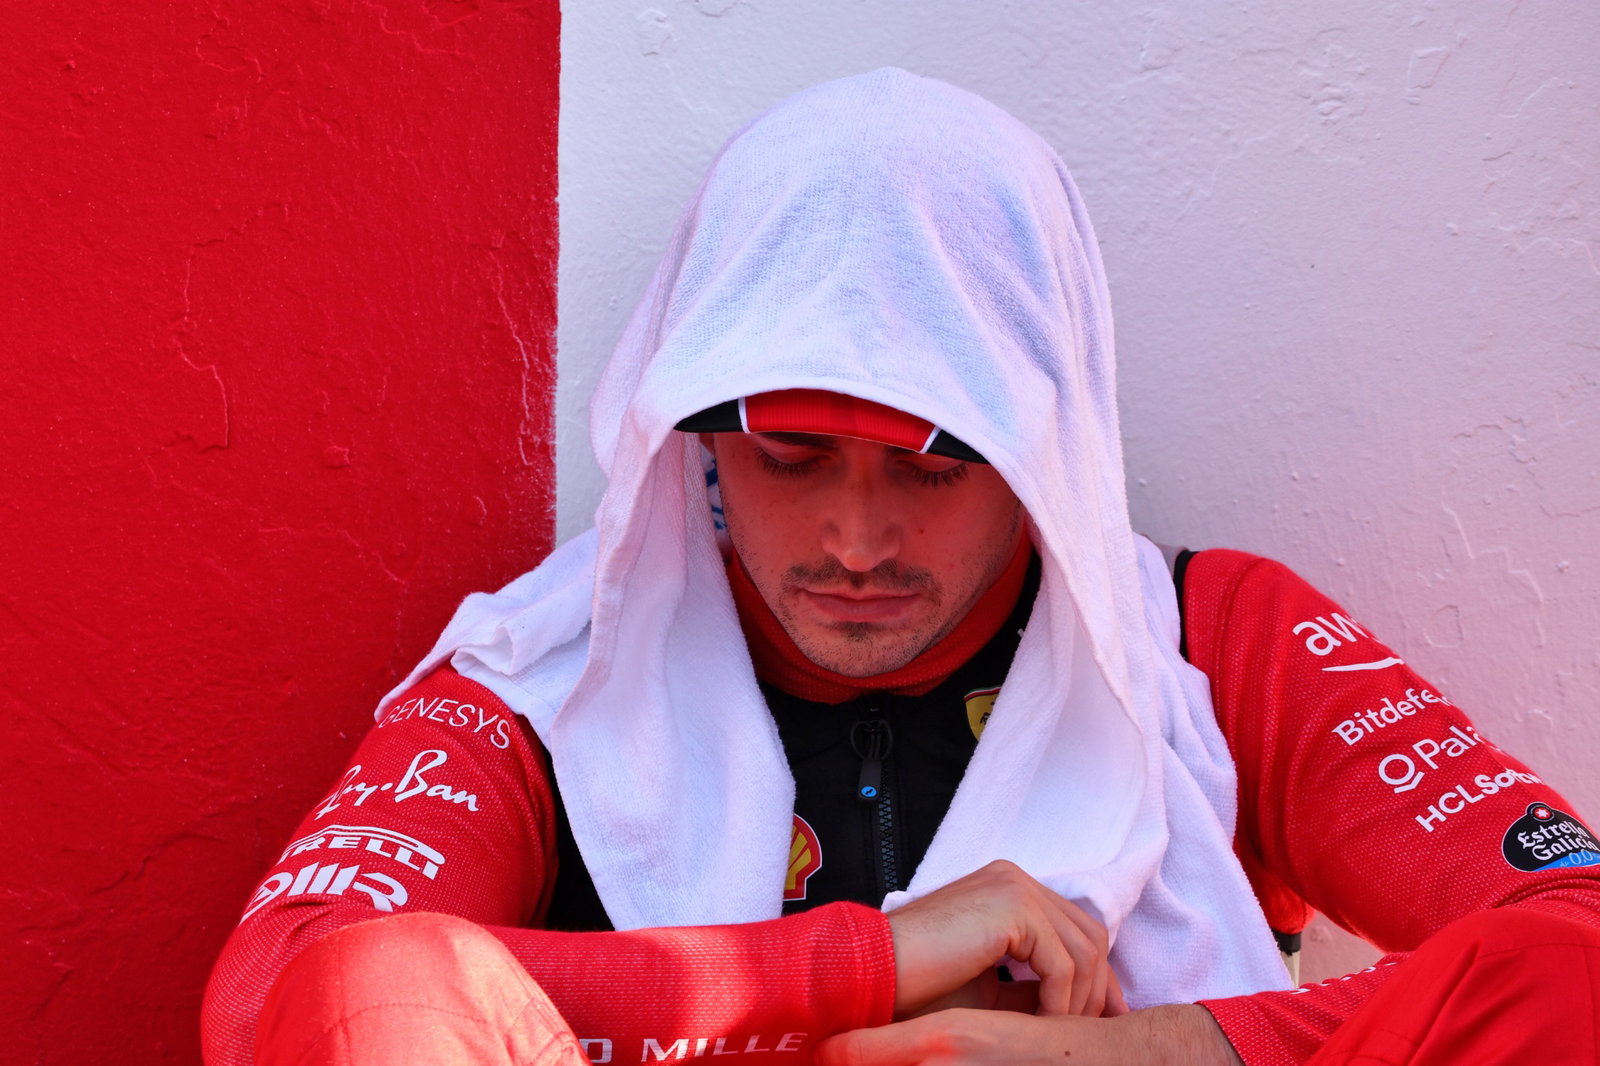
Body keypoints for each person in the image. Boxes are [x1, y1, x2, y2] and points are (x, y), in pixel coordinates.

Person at [202, 69, 1600, 1066]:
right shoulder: (549, 673)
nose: (855, 542)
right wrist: (867, 962)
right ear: (688, 434)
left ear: (1047, 443)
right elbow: (281, 998)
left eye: (936, 467)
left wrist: (1153, 1050)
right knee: (379, 990)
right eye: (791, 458)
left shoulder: (1210, 641)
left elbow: (1579, 941)